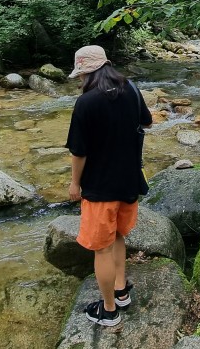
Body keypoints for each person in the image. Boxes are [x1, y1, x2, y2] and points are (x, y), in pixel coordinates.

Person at [65, 45, 152, 327]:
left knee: (101, 248)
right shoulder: (131, 89)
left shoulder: (86, 103)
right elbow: (146, 122)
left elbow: (79, 152)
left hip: (99, 187)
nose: (80, 80)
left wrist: (74, 183)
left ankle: (109, 310)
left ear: (87, 73)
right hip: (129, 182)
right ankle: (121, 291)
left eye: (80, 76)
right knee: (117, 236)